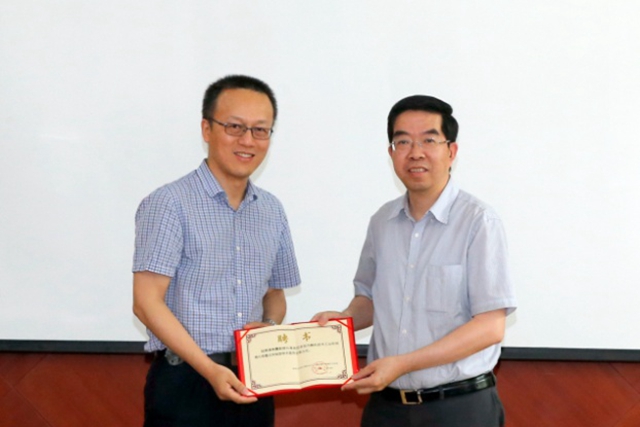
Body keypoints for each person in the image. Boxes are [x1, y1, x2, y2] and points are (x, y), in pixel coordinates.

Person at [313, 95, 517, 427]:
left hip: (458, 408)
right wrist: (343, 319)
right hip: (386, 408)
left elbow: (490, 327)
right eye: (403, 141)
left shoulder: (479, 222)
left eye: (429, 140)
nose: (415, 152)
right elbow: (371, 300)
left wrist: (404, 363)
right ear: (391, 152)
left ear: (451, 151)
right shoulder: (382, 222)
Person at [132, 75, 301, 427]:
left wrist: (269, 326)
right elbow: (146, 302)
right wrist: (210, 370)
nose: (247, 140)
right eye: (234, 127)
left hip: (253, 378)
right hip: (187, 382)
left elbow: (275, 295)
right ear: (206, 129)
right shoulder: (169, 203)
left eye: (260, 130)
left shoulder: (272, 210)